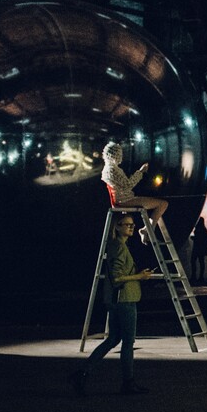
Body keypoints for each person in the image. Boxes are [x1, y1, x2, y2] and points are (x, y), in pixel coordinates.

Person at [72, 213, 154, 396]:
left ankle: (83, 372)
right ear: (117, 227)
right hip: (125, 299)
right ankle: (128, 382)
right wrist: (139, 277)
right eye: (127, 225)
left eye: (132, 225)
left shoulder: (116, 246)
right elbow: (117, 278)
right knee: (127, 342)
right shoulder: (119, 247)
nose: (131, 228)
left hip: (115, 299)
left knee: (112, 339)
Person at [99, 142, 166, 226]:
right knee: (163, 204)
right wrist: (141, 171)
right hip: (125, 200)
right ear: (113, 155)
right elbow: (128, 185)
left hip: (123, 199)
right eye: (118, 154)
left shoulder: (110, 169)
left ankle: (147, 231)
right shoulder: (112, 170)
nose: (121, 156)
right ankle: (147, 231)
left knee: (158, 202)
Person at [190, 217, 207, 285]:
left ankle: (194, 276)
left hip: (197, 248)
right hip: (201, 249)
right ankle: (200, 277)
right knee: (201, 262)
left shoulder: (198, 229)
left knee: (193, 261)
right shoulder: (204, 229)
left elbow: (198, 238)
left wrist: (194, 238)